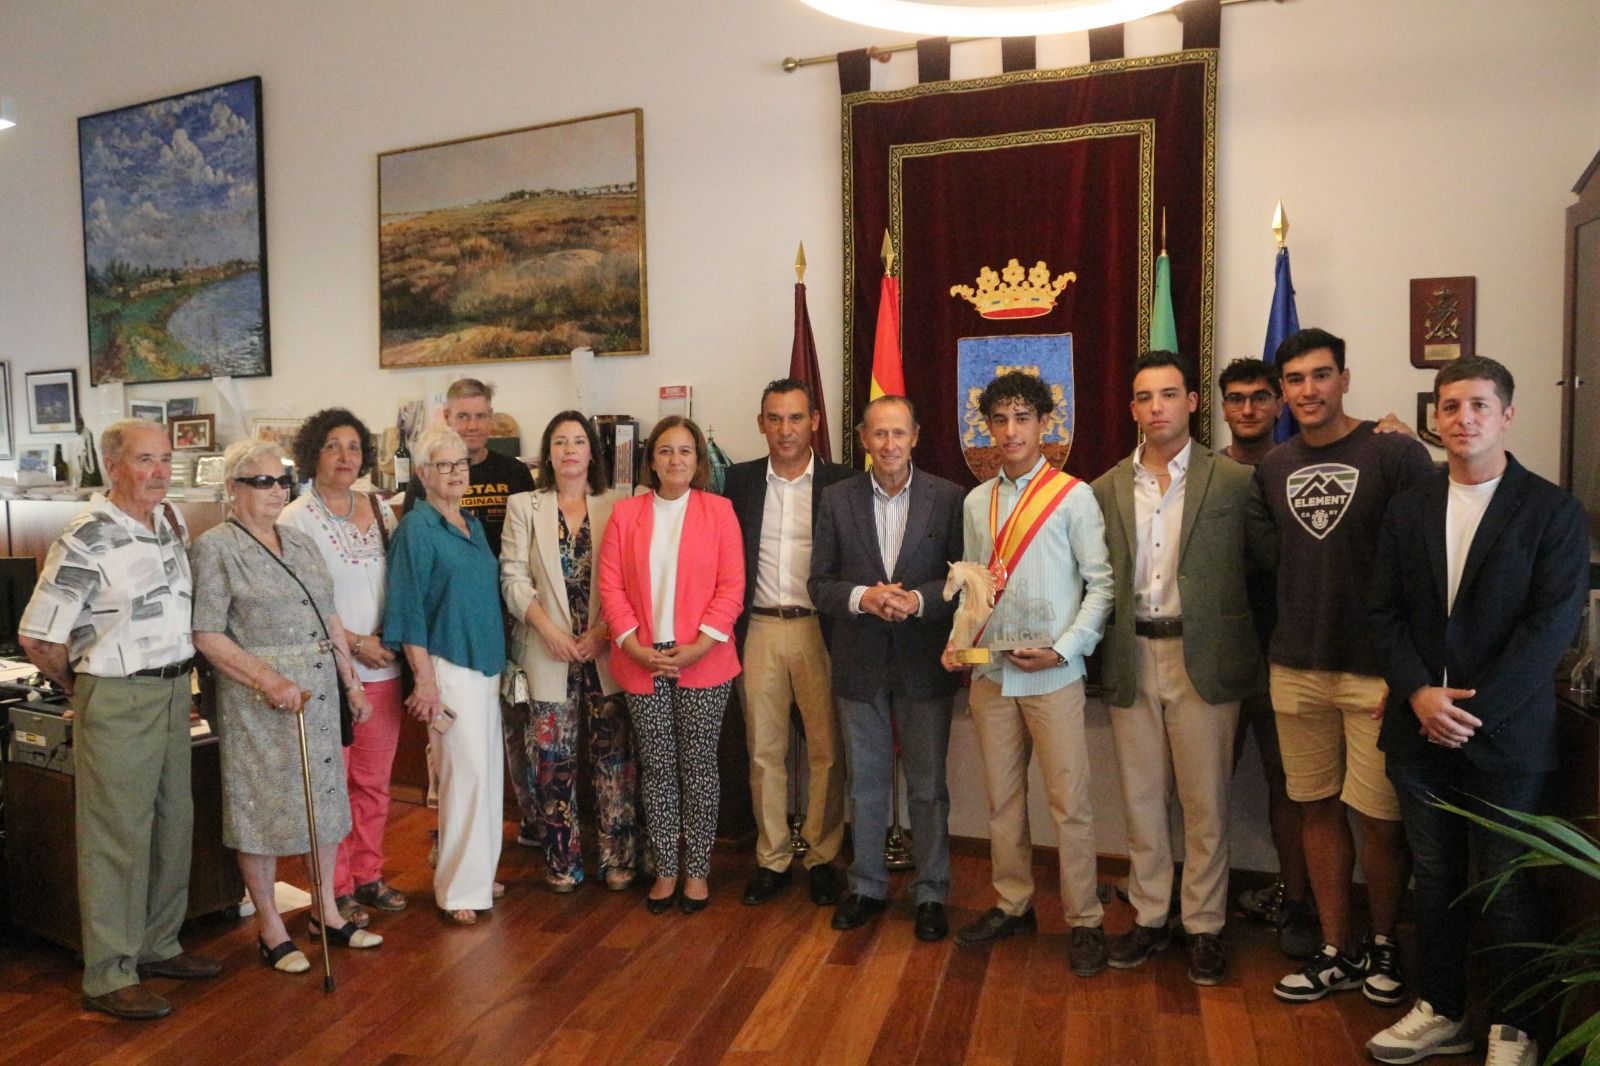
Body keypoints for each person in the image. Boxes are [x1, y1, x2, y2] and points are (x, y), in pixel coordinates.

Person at [1365, 357, 1587, 1066]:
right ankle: (1442, 1007)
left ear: (1508, 415)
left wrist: (1470, 713)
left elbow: (1549, 628)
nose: (1464, 419)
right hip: (1418, 728)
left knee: (1505, 882)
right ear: (1434, 417)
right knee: (1433, 880)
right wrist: (1420, 697)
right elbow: (1383, 615)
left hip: (1507, 737)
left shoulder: (1552, 511)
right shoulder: (1408, 507)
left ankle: (1515, 1024)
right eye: (1451, 406)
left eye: (1479, 406)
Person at [19, 419, 223, 1020]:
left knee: (170, 822)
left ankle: (159, 945)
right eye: (145, 460)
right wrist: (79, 686)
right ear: (114, 466)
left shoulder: (170, 522)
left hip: (169, 694)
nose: (160, 471)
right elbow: (39, 635)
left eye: (165, 459)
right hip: (113, 694)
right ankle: (108, 976)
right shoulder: (87, 536)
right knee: (117, 839)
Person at [1255, 327, 1435, 1005]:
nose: (1309, 390)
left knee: (1382, 820)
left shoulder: (1394, 454)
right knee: (1315, 810)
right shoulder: (1274, 467)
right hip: (1296, 666)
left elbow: (1429, 560)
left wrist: (1410, 672)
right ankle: (1338, 949)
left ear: (1345, 379)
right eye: (1295, 380)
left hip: (1376, 673)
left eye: (1321, 375)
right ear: (1283, 392)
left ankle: (1384, 941)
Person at [1091, 352, 1277, 985]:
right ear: (1133, 409)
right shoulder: (1106, 487)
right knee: (1142, 799)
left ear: (1193, 402)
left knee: (1206, 804)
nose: (1157, 407)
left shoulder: (1232, 481)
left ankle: (1203, 926)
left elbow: (1267, 570)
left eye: (1169, 394)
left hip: (1206, 659)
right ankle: (1148, 914)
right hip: (1132, 654)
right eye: (1145, 397)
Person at [940, 371, 1114, 975]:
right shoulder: (974, 501)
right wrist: (958, 642)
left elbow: (1102, 585)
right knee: (1003, 801)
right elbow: (973, 589)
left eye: (1023, 418)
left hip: (1054, 676)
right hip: (992, 679)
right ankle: (1014, 904)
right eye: (1000, 419)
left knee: (1070, 804)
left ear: (1045, 424)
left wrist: (1066, 649)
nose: (1011, 431)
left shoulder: (1073, 496)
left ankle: (1085, 918)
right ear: (986, 427)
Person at [191, 440, 382, 975]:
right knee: (262, 808)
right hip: (257, 699)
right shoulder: (215, 549)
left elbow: (330, 620)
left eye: (282, 482)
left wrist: (352, 684)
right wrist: (267, 678)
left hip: (317, 694)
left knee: (324, 803)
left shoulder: (299, 543)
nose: (276, 491)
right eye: (262, 482)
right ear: (233, 489)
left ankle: (325, 910)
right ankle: (271, 927)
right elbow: (206, 633)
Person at [812, 395, 965, 941]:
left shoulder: (949, 499)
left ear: (916, 436)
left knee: (927, 788)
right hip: (859, 664)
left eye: (899, 433)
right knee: (866, 786)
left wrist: (917, 601)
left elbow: (962, 583)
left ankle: (931, 893)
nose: (889, 444)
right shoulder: (836, 500)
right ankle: (868, 886)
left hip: (925, 662)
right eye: (879, 434)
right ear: (863, 439)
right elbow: (820, 584)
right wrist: (863, 597)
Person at [597, 416, 743, 914]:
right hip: (643, 661)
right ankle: (665, 869)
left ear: (698, 460)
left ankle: (697, 870)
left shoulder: (719, 512)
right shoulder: (625, 514)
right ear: (651, 460)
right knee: (658, 768)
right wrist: (631, 644)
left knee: (699, 766)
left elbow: (731, 588)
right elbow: (611, 587)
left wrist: (701, 645)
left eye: (685, 451)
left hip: (703, 661)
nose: (675, 460)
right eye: (665, 451)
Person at [721, 378, 855, 908]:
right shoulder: (740, 482)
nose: (785, 429)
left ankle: (822, 856)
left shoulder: (843, 483)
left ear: (815, 422)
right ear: (761, 424)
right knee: (764, 751)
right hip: (758, 629)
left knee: (825, 751)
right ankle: (772, 856)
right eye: (774, 418)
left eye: (795, 418)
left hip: (820, 629)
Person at [500, 410, 639, 893]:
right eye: (559, 441)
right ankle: (563, 861)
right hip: (548, 647)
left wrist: (603, 630)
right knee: (552, 762)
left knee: (614, 758)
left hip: (606, 647)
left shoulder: (620, 504)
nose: (569, 450)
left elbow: (631, 579)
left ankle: (619, 859)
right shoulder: (525, 506)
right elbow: (513, 578)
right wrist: (549, 631)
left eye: (578, 440)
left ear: (592, 452)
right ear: (548, 453)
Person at [280, 408, 407, 929]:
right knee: (331, 789)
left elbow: (402, 582)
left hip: (384, 670)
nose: (344, 457)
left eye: (353, 447)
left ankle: (367, 876)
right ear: (314, 453)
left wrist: (386, 642)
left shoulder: (381, 510)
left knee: (374, 783)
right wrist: (352, 643)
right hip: (327, 674)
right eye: (333, 446)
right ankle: (331, 891)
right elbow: (295, 602)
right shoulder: (294, 518)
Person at [402, 378, 540, 849]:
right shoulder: (424, 486)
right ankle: (452, 841)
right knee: (455, 749)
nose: (473, 425)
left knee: (505, 736)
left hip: (506, 620)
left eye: (481, 416)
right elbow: (413, 563)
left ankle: (515, 823)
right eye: (464, 416)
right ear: (448, 418)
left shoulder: (515, 473)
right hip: (449, 631)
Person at [385, 426, 507, 925]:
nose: (455, 473)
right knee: (463, 776)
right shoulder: (417, 528)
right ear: (421, 473)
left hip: (485, 665)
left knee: (487, 775)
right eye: (443, 465)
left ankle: (480, 872)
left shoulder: (470, 523)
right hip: (448, 666)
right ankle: (458, 888)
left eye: (461, 465)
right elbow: (407, 606)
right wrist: (425, 680)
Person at [1217, 357, 1316, 958]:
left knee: (1294, 786)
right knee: (1204, 784)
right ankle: (1198, 898)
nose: (1248, 408)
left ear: (1279, 404)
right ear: (1222, 407)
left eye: (1259, 397)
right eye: (1236, 398)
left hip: (1291, 653)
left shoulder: (1300, 470)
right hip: (1221, 655)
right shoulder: (1203, 474)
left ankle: (1296, 900)